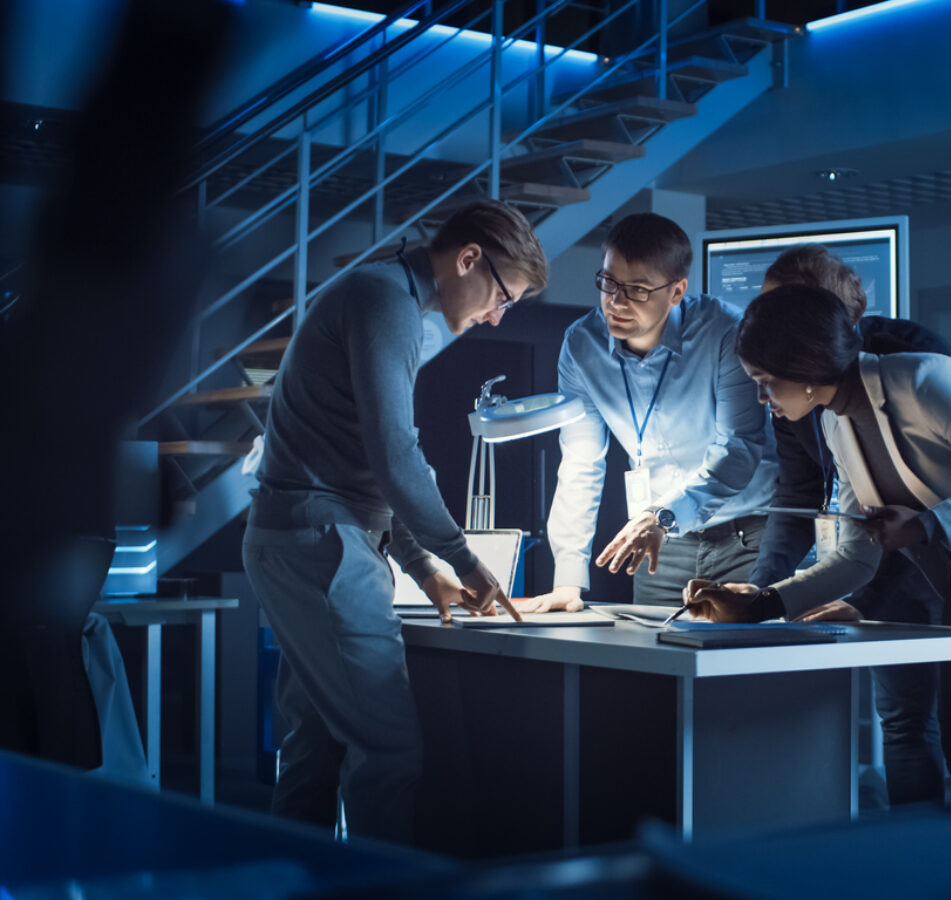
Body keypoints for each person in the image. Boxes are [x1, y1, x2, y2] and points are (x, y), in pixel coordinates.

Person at [688, 284, 951, 800]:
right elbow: (857, 554)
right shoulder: (835, 422)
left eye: (766, 381)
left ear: (804, 370)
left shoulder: (924, 379)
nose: (762, 398)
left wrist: (928, 526)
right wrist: (763, 603)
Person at [242, 199, 546, 845]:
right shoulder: (387, 303)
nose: (497, 315)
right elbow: (394, 453)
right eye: (502, 296)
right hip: (321, 543)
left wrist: (422, 568)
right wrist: (461, 559)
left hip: (304, 539)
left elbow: (371, 460)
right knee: (390, 755)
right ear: (468, 259)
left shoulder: (383, 292)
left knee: (314, 751)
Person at [745, 244, 951, 807]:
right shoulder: (785, 382)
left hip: (934, 559)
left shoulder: (910, 360)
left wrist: (864, 597)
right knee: (902, 720)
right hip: (860, 553)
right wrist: (762, 591)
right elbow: (798, 493)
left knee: (927, 722)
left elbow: (934, 498)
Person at [523, 213, 776, 611]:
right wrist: (568, 580)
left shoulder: (726, 332)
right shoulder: (581, 344)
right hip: (660, 542)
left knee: (746, 666)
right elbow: (580, 461)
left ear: (677, 292)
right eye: (608, 282)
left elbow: (738, 447)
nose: (617, 302)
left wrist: (664, 516)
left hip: (747, 537)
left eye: (638, 290)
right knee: (658, 663)